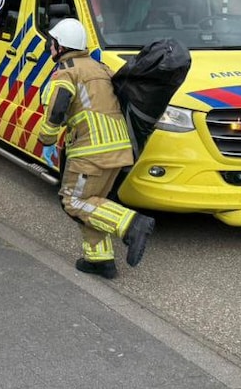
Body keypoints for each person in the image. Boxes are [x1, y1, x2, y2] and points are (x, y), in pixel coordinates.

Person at [37, 18, 154, 279]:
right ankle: (100, 260)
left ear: (60, 46)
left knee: (73, 201)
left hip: (91, 151)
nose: (49, 47)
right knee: (92, 203)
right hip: (119, 148)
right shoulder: (100, 67)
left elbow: (58, 108)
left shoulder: (66, 71)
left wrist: (46, 137)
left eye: (51, 43)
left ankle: (131, 224)